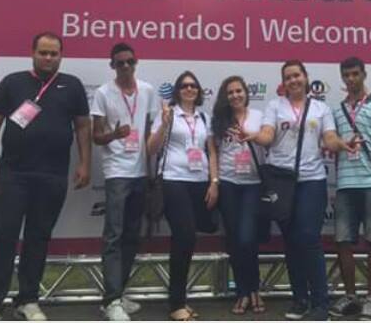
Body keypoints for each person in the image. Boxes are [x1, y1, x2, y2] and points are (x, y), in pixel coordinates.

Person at [0, 32, 91, 321]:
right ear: (33, 53)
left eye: (54, 53)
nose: (48, 58)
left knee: (38, 237)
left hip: (52, 175)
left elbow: (82, 127)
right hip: (14, 174)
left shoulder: (72, 85)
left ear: (61, 55)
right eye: (43, 52)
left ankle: (28, 299)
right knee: (4, 235)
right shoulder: (12, 82)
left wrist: (85, 163)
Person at [243, 60, 352, 321]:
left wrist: (342, 144)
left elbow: (329, 139)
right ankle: (300, 299)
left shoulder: (321, 108)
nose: (293, 80)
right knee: (291, 241)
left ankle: (321, 303)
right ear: (283, 83)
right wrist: (254, 136)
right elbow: (267, 135)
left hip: (311, 180)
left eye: (297, 75)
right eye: (288, 77)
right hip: (281, 181)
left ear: (305, 77)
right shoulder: (274, 106)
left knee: (308, 238)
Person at [91, 43, 159, 321]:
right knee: (114, 236)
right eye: (120, 63)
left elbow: (151, 131)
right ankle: (111, 300)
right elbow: (96, 136)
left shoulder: (148, 91)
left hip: (140, 171)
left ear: (136, 62)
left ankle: (117, 293)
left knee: (132, 235)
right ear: (113, 66)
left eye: (130, 61)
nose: (126, 66)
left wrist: (151, 168)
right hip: (117, 171)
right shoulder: (102, 93)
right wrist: (115, 135)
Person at [147, 71, 219, 321]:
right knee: (184, 236)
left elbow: (211, 152)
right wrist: (164, 124)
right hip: (173, 180)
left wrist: (214, 182)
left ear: (198, 91)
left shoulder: (204, 117)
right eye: (184, 86)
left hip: (199, 182)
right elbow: (151, 149)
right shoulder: (168, 114)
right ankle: (176, 302)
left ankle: (181, 299)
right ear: (177, 91)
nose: (189, 89)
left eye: (193, 86)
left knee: (189, 239)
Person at [329, 57, 371, 320]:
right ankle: (350, 296)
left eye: (355, 74)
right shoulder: (336, 110)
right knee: (343, 242)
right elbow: (330, 144)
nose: (351, 79)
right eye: (346, 75)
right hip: (345, 185)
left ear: (364, 74)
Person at [210, 76, 266, 315]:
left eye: (239, 91)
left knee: (246, 238)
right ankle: (244, 291)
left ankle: (254, 288)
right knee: (234, 240)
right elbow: (213, 152)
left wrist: (250, 134)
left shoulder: (259, 116)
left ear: (246, 93)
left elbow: (268, 141)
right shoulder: (219, 120)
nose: (235, 95)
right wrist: (215, 182)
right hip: (228, 183)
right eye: (230, 92)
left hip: (252, 184)